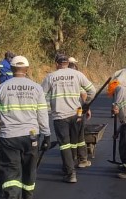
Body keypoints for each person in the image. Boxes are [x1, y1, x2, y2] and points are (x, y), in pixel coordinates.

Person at [0, 55, 50, 199]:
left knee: (11, 171)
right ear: (27, 69)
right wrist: (46, 134)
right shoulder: (36, 88)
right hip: (30, 135)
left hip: (9, 136)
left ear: (11, 68)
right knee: (29, 169)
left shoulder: (1, 88)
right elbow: (42, 113)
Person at [41, 54, 96, 183]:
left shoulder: (50, 77)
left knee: (65, 145)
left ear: (56, 63)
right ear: (67, 63)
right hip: (76, 114)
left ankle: (70, 173)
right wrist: (85, 105)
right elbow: (92, 91)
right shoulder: (77, 74)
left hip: (60, 116)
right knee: (75, 141)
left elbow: (40, 97)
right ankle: (73, 164)